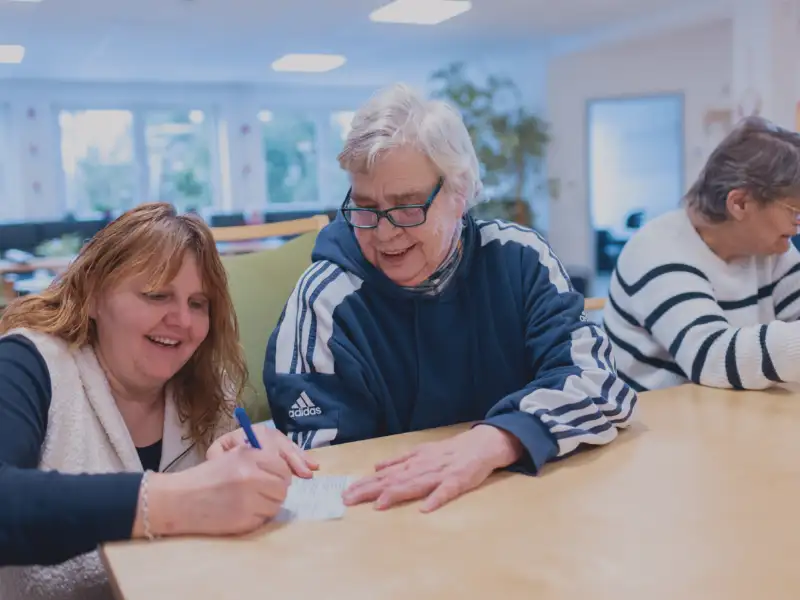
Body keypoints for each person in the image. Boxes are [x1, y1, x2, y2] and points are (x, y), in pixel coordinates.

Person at [263, 83, 636, 513]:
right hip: (394, 533)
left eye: (407, 207)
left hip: (522, 508)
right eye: (365, 207)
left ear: (459, 194)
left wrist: (498, 439)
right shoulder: (324, 300)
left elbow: (600, 383)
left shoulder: (521, 260)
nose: (384, 233)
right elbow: (325, 475)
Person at [0, 203, 317, 599]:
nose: (182, 321)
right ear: (94, 295)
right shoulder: (27, 363)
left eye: (197, 304)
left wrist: (252, 458)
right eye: (156, 295)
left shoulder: (207, 386)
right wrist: (178, 499)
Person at [603, 116, 800, 391]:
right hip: (657, 424)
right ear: (740, 203)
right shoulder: (657, 251)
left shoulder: (772, 247)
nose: (798, 223)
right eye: (794, 211)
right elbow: (711, 358)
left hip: (735, 415)